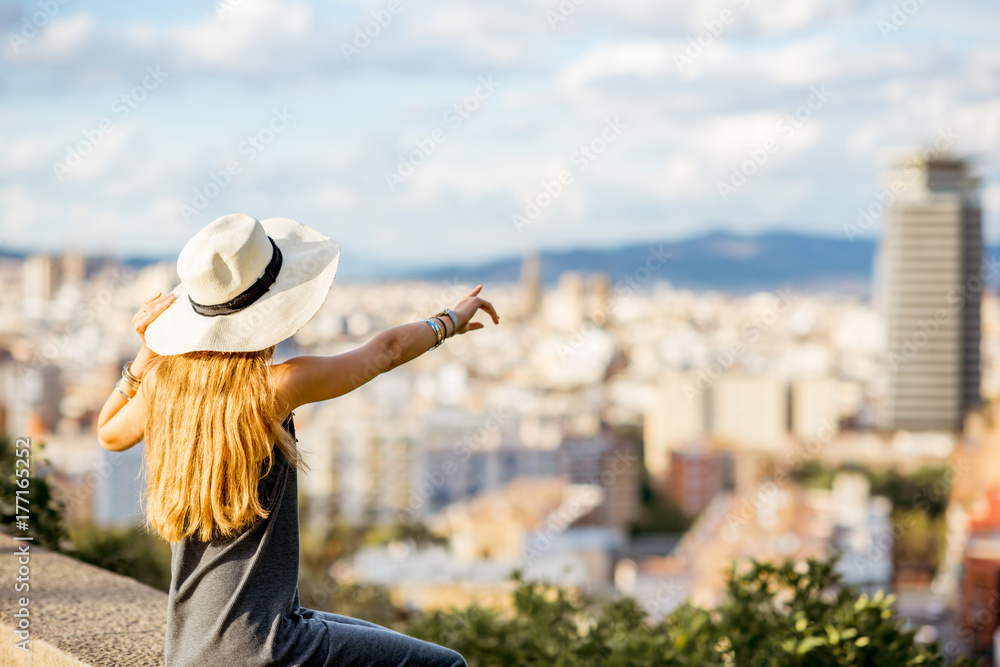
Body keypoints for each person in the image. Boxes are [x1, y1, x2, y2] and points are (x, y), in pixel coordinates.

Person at [95, 213, 498, 666]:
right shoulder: (272, 390)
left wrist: (147, 352)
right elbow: (383, 353)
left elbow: (109, 433)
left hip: (192, 647)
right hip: (263, 645)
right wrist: (449, 320)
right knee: (446, 665)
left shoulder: (165, 390)